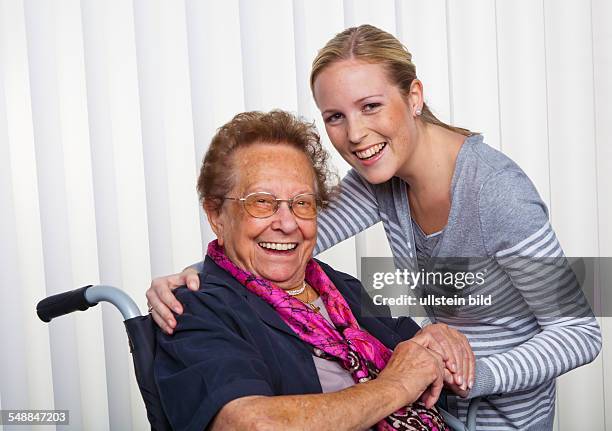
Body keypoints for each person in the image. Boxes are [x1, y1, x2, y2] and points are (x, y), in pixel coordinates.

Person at [148, 25, 601, 430]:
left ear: (415, 97)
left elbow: (580, 333)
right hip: (436, 407)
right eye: (335, 117)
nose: (356, 134)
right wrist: (193, 279)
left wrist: (470, 375)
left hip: (505, 418)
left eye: (370, 106)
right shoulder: (379, 178)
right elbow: (285, 235)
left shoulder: (496, 192)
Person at [154, 110, 468, 431]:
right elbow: (250, 425)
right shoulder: (195, 309)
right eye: (262, 201)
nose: (288, 223)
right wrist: (395, 386)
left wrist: (437, 338)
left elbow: (417, 353)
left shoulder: (340, 287)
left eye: (302, 203)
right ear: (216, 215)